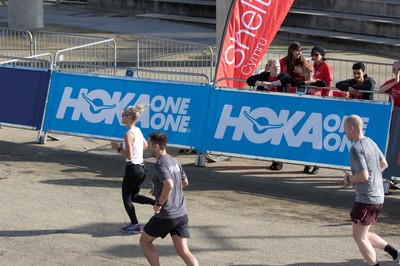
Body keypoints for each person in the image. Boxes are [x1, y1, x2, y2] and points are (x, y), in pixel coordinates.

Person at [342, 115, 399, 266]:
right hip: (377, 197)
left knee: (359, 237)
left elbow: (363, 175)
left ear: (352, 128)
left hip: (366, 199)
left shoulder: (355, 148)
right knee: (363, 234)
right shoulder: (370, 142)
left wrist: (349, 180)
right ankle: (396, 254)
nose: (343, 132)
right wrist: (371, 181)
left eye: (345, 128)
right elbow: (384, 164)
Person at [140, 132, 199, 266]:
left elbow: (169, 184)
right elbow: (184, 182)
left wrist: (159, 203)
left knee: (144, 241)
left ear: (156, 146)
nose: (147, 147)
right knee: (183, 251)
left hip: (167, 215)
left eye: (149, 144)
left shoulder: (160, 164)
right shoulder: (174, 161)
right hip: (181, 213)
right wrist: (159, 189)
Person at [111, 105, 156, 233]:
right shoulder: (137, 130)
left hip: (133, 169)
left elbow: (129, 156)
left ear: (129, 118)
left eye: (124, 115)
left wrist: (118, 148)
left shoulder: (128, 135)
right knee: (134, 196)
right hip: (142, 168)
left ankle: (135, 224)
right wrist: (127, 147)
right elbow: (146, 146)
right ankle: (157, 204)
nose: (121, 116)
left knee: (126, 197)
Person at [247, 58, 292, 171]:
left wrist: (271, 84)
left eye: (278, 67)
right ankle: (273, 158)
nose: (277, 69)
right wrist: (261, 83)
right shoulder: (264, 76)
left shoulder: (282, 76)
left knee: (280, 136)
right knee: (271, 136)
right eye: (274, 67)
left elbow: (287, 79)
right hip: (268, 111)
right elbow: (249, 80)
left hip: (282, 110)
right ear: (268, 67)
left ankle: (278, 161)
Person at [291, 64, 326, 174]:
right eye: (307, 72)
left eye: (311, 72)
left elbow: (323, 84)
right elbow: (293, 83)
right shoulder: (300, 81)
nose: (309, 74)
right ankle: (307, 164)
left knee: (316, 143)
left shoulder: (317, 82)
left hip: (317, 115)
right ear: (303, 73)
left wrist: (311, 82)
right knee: (306, 143)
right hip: (305, 115)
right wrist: (307, 82)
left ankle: (316, 165)